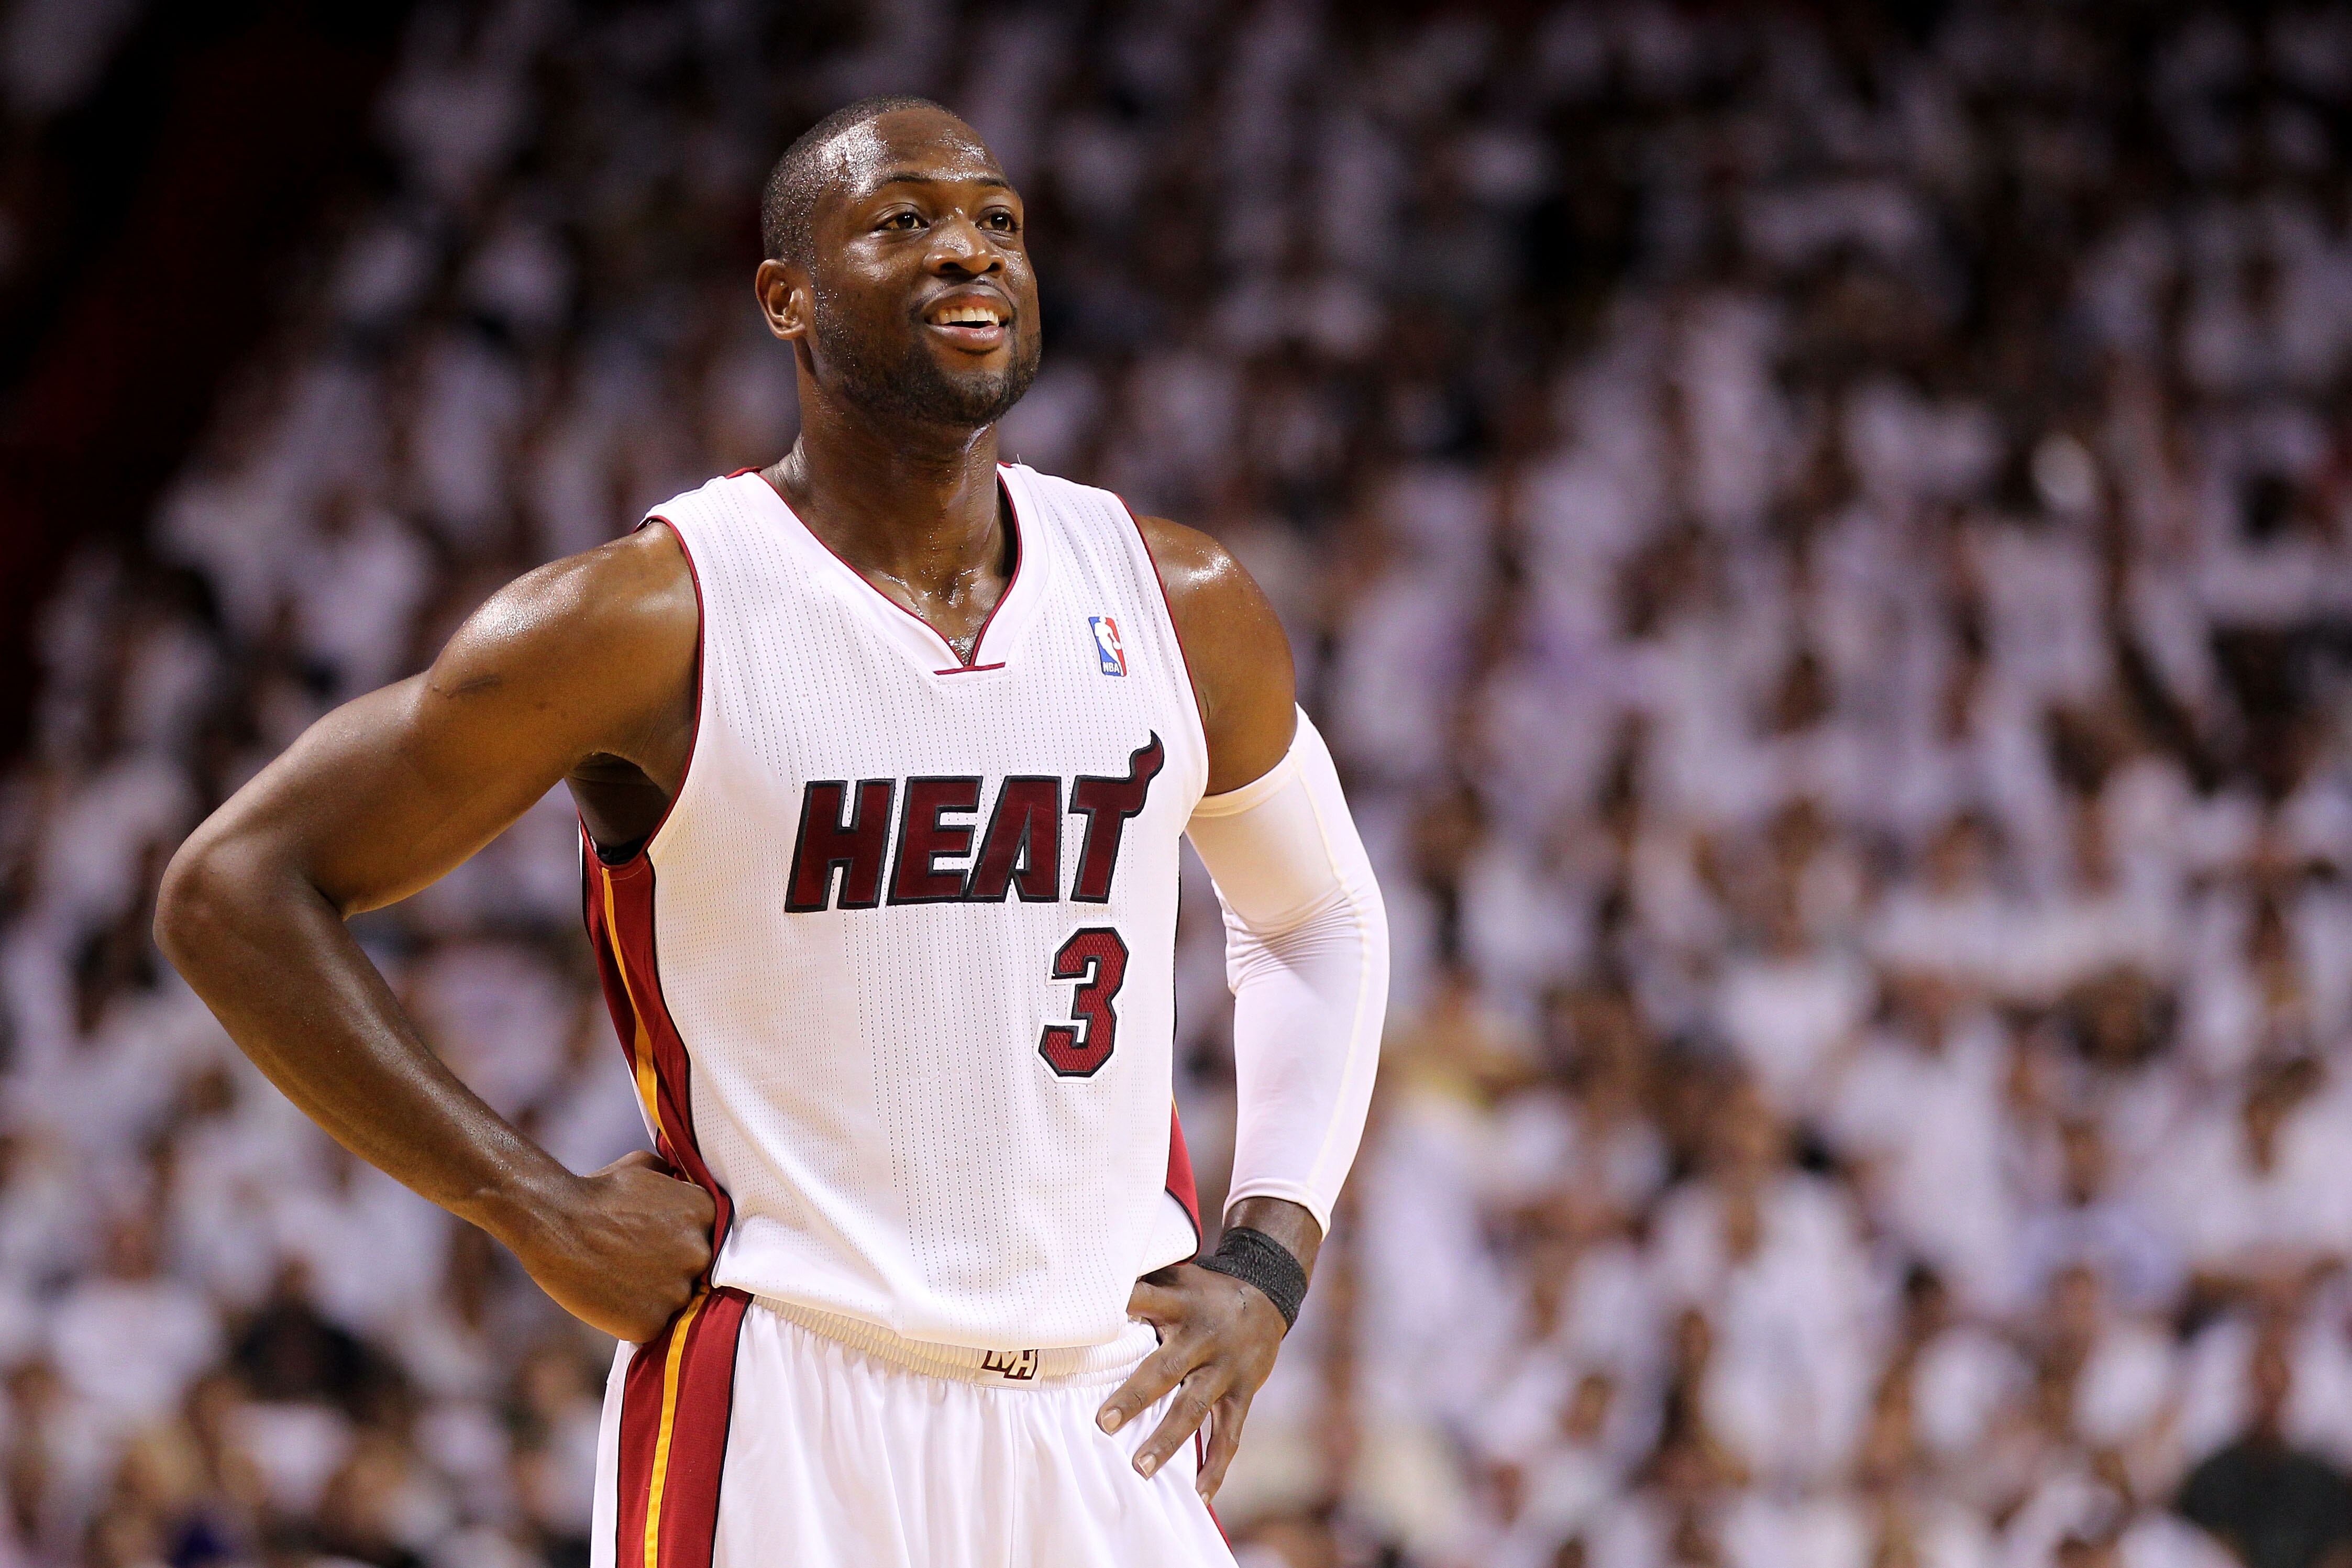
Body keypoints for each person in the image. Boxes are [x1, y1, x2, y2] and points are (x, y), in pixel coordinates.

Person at [154, 95, 1388, 1568]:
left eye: (996, 221)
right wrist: (526, 1199)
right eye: (904, 222)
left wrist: (1269, 1249)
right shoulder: (646, 616)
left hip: (1101, 1412)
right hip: (789, 1402)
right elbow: (234, 886)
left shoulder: (1178, 600)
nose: (966, 253)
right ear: (785, 298)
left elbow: (1315, 911)